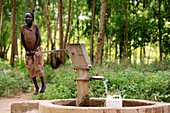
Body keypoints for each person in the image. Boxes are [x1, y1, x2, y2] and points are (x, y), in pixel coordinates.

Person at [21, 12, 46, 95]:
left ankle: (43, 84)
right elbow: (23, 40)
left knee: (38, 67)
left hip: (37, 50)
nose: (27, 19)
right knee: (30, 68)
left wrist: (35, 49)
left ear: (32, 19)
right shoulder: (22, 28)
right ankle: (36, 87)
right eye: (26, 17)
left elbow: (38, 38)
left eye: (29, 17)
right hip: (28, 52)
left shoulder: (35, 26)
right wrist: (27, 50)